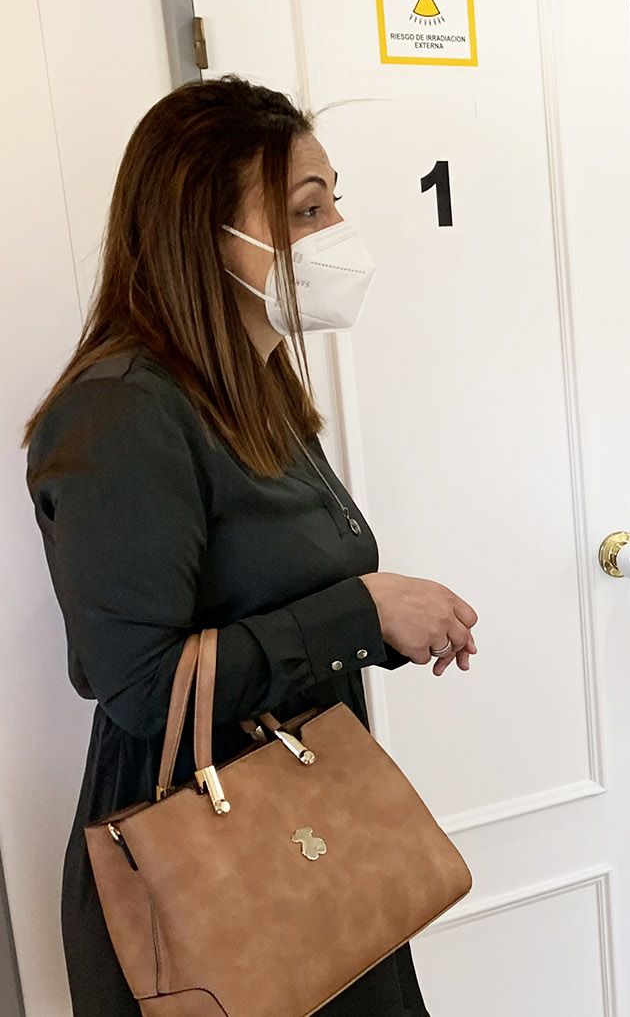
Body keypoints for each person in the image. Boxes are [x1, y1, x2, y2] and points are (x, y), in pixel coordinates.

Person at [24, 77, 481, 1016]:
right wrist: (361, 611)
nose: (339, 229)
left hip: (309, 845)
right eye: (307, 209)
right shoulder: (120, 410)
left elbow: (267, 600)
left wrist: (384, 625)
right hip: (212, 877)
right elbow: (143, 685)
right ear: (205, 235)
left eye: (334, 199)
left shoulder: (257, 390)